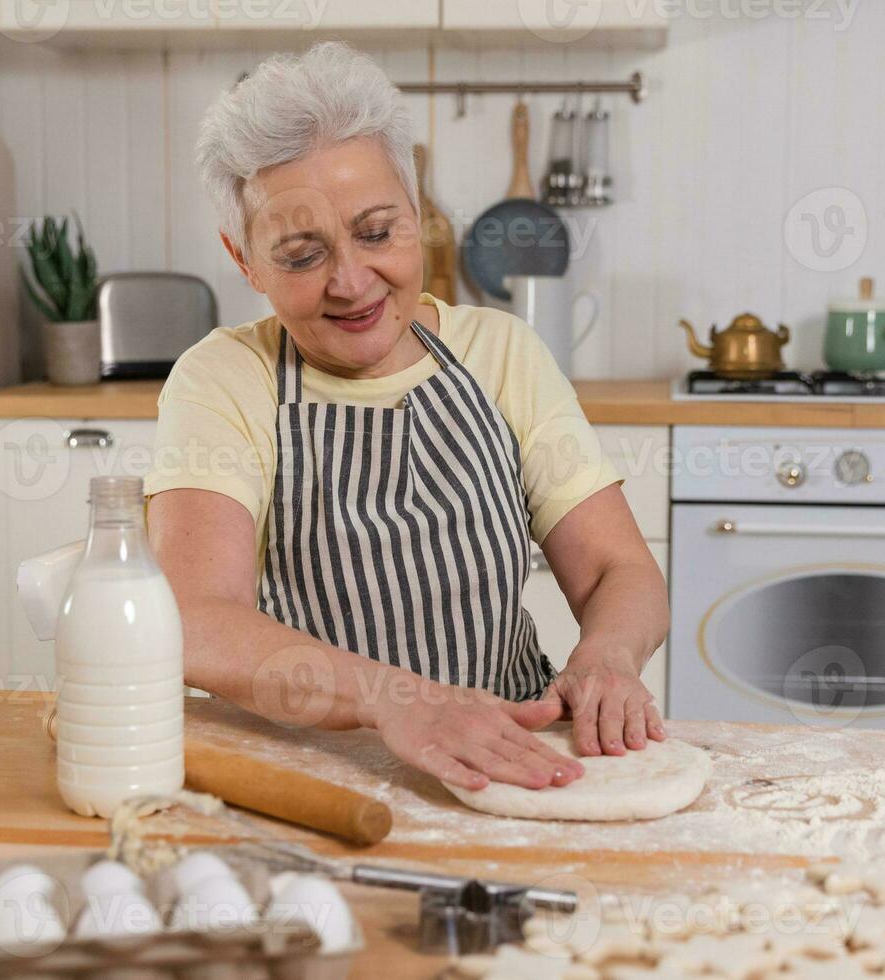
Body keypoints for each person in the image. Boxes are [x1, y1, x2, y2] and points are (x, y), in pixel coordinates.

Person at [145, 42, 668, 792]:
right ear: (245, 260)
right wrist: (398, 702)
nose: (352, 282)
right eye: (301, 255)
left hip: (513, 761)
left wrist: (607, 658)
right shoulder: (225, 379)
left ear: (417, 215)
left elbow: (622, 570)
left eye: (377, 231)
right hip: (319, 777)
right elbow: (194, 618)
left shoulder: (501, 354)